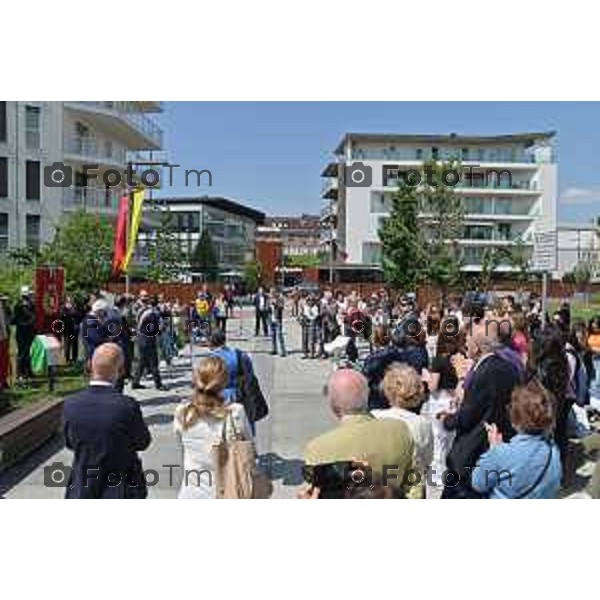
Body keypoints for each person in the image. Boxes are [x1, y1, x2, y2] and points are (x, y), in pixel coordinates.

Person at [303, 369, 415, 498]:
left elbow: (315, 493)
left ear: (333, 404)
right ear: (367, 396)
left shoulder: (317, 448)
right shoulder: (400, 429)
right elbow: (413, 479)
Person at [440, 323, 520, 499]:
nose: (464, 344)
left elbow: (469, 415)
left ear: (476, 347)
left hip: (476, 447)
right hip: (499, 441)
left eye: (467, 340)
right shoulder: (508, 367)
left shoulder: (485, 372)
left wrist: (447, 420)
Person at [63, 343, 151, 499]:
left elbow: (70, 442)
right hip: (122, 488)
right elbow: (142, 442)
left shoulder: (71, 404)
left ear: (90, 365)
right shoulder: (126, 405)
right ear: (121, 370)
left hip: (83, 486)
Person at [174, 355, 253, 499]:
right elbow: (250, 451)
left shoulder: (182, 412)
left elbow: (182, 448)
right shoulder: (235, 412)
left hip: (191, 490)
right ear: (224, 382)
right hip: (226, 490)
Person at [471, 381, 562, 499]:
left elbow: (478, 483)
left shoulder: (500, 454)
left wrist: (494, 449)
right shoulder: (553, 450)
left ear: (514, 420)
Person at [372, 364, 433, 499]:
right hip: (409, 487)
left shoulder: (374, 416)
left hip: (376, 486)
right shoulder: (422, 424)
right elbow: (427, 460)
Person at [131, 295, 166, 391]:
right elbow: (151, 329)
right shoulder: (152, 314)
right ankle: (158, 384)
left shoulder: (142, 310)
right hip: (148, 339)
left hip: (140, 338)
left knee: (141, 362)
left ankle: (135, 382)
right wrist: (160, 330)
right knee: (153, 362)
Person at [12, 286, 36, 382]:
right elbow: (15, 320)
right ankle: (19, 374)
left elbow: (34, 315)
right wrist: (26, 322)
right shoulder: (18, 305)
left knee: (28, 352)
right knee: (22, 353)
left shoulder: (31, 304)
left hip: (30, 331)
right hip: (22, 331)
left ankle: (28, 372)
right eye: (29, 294)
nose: (30, 296)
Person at [268, 290, 287, 357]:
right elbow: (268, 309)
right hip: (271, 319)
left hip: (278, 319)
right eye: (270, 293)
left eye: (272, 292)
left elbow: (281, 307)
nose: (271, 294)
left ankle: (283, 351)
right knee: (273, 335)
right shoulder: (269, 300)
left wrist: (275, 304)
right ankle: (274, 349)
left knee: (280, 335)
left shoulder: (280, 299)